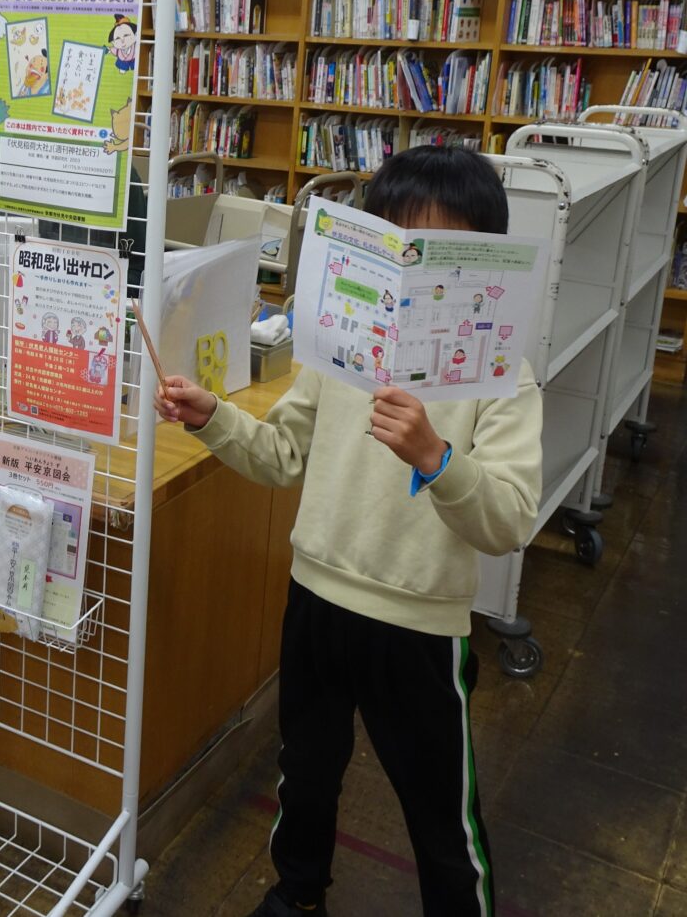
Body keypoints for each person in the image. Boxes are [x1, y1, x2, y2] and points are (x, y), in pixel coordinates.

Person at [155, 146, 543, 917]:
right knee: (305, 774)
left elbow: (508, 518)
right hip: (317, 596)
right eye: (392, 247)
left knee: (441, 811)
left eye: (431, 258)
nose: (407, 282)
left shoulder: (501, 373)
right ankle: (296, 896)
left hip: (420, 624)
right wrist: (215, 418)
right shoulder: (343, 351)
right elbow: (282, 454)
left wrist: (438, 459)